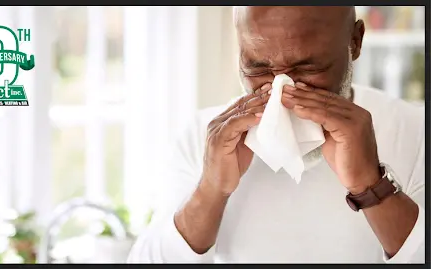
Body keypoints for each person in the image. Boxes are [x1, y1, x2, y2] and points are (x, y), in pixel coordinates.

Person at [127, 6, 425, 263]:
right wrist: (210, 190)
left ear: (355, 42)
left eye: (309, 68)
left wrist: (371, 186)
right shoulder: (202, 136)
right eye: (257, 69)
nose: (282, 91)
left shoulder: (413, 130)